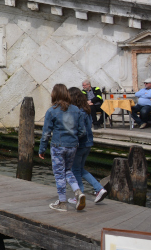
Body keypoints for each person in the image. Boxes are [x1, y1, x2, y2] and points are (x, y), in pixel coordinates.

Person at [39, 83, 86, 212]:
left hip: (58, 146)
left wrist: (42, 149)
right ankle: (77, 191)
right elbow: (82, 132)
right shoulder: (76, 110)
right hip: (72, 146)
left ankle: (62, 202)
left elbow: (46, 133)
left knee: (59, 174)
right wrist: (73, 139)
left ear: (54, 94)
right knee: (68, 171)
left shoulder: (52, 111)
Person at [68, 87, 108, 204]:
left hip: (80, 144)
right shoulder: (87, 109)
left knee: (75, 170)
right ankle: (99, 188)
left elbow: (79, 130)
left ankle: (79, 195)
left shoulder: (78, 112)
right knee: (80, 169)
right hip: (88, 143)